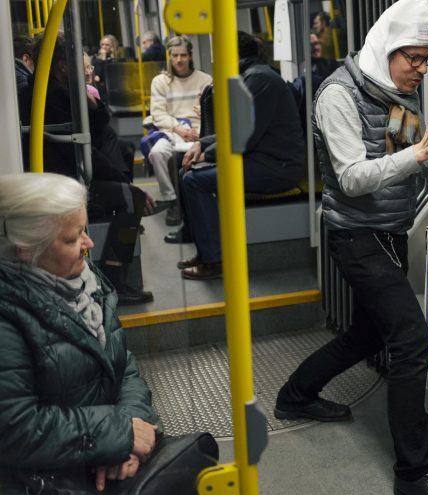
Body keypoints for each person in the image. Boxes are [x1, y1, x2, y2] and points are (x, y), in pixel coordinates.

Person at [273, 1, 428, 495]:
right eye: (415, 60)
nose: (422, 71)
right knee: (409, 340)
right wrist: (420, 152)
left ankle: (295, 395)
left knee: (366, 333)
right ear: (387, 50)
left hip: (387, 233)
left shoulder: (396, 94)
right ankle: (414, 474)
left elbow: (411, 166)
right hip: (355, 238)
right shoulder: (337, 95)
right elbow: (354, 178)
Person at [0, 172, 161, 495]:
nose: (88, 244)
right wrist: (119, 433)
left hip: (96, 460)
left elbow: (125, 370)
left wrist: (126, 445)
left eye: (85, 230)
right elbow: (15, 428)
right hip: (35, 488)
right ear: (28, 251)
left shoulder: (87, 283)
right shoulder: (8, 317)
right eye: (74, 238)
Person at [30, 34, 160, 304]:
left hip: (61, 176)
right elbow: (86, 148)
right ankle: (116, 281)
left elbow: (99, 123)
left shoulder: (46, 89)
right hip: (64, 183)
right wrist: (129, 186)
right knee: (132, 199)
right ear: (64, 66)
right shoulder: (57, 96)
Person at [176, 32, 304, 280]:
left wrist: (207, 155)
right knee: (185, 173)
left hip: (277, 167)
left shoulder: (260, 81)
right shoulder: (252, 77)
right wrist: (202, 144)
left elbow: (243, 136)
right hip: (263, 159)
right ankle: (207, 251)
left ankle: (214, 260)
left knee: (194, 180)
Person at [146, 35, 212, 226]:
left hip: (201, 129)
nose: (179, 60)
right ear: (169, 56)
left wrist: (201, 121)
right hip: (173, 129)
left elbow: (213, 111)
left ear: (190, 56)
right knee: (157, 153)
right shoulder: (160, 81)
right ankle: (172, 199)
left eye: (183, 55)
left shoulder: (205, 79)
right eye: (175, 56)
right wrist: (179, 129)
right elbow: (158, 114)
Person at [91, 34, 120, 100]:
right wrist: (102, 59)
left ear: (113, 46)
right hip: (102, 88)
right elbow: (98, 74)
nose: (104, 47)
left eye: (107, 45)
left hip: (114, 87)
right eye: (102, 44)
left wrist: (110, 58)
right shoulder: (96, 59)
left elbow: (112, 73)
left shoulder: (116, 59)